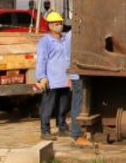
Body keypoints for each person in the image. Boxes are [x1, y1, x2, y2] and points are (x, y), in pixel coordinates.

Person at [35, 11, 71, 141]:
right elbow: (41, 60)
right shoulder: (45, 42)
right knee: (48, 106)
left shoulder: (65, 39)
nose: (59, 26)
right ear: (49, 25)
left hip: (64, 80)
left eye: (60, 23)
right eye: (56, 24)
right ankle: (45, 131)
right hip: (51, 80)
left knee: (63, 106)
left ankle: (62, 128)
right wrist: (41, 77)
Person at [63, 30, 90, 147]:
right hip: (77, 74)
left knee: (82, 104)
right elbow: (68, 57)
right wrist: (70, 76)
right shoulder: (72, 35)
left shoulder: (77, 33)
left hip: (82, 73)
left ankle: (81, 133)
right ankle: (77, 134)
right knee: (78, 104)